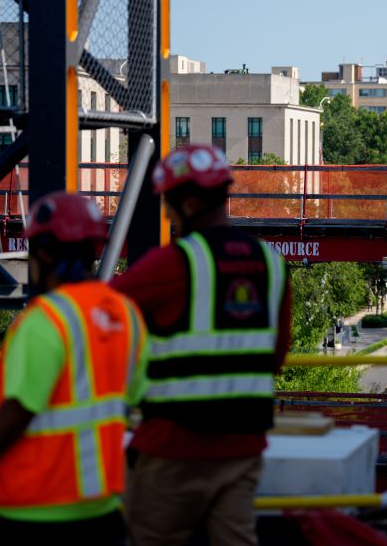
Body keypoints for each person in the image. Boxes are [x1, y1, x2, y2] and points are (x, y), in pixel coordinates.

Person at [0, 192, 149, 545]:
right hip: (98, 510)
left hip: (26, 510)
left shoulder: (45, 319)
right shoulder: (124, 314)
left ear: (46, 253)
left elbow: (19, 409)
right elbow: (142, 400)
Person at [112, 144, 291, 546]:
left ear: (188, 202)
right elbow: (275, 355)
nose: (167, 213)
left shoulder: (172, 264)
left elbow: (101, 313)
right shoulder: (271, 263)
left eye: (168, 203)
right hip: (243, 448)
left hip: (173, 451)